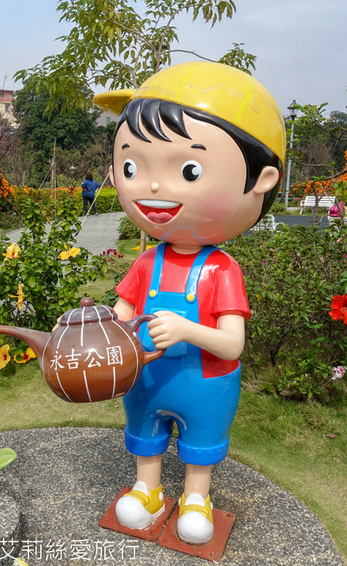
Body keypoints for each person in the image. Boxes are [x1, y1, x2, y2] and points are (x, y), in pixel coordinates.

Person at [94, 61, 285, 545]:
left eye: (188, 169)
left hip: (207, 381)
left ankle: (197, 496)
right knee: (145, 434)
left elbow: (232, 343)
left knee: (200, 444)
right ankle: (148, 488)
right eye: (133, 167)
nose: (153, 187)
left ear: (260, 180)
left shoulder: (222, 269)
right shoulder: (145, 262)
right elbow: (120, 315)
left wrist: (184, 330)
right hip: (148, 377)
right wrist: (93, 326)